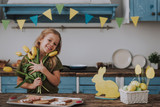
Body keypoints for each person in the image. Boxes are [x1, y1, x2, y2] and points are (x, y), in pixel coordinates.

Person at [16, 28, 63, 93]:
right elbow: (19, 82)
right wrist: (32, 86)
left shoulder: (54, 59)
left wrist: (43, 70)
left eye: (55, 44)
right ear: (41, 39)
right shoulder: (27, 58)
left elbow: (56, 82)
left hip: (51, 95)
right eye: (49, 40)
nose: (52, 44)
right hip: (33, 96)